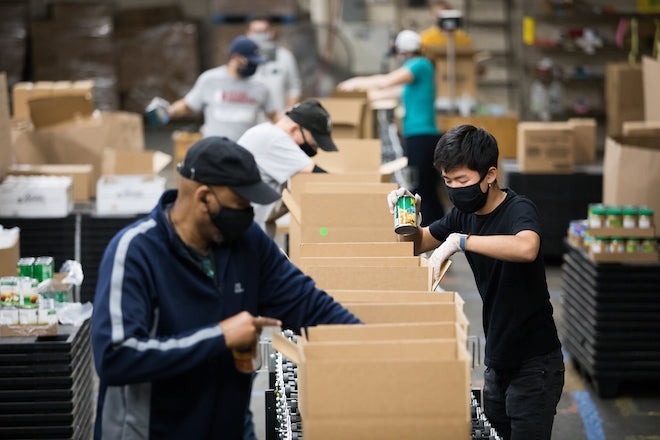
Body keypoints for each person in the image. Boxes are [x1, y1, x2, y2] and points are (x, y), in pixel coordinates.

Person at [91, 137, 360, 439]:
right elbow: (115, 357)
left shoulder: (247, 243)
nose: (247, 216)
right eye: (240, 205)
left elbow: (307, 305)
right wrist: (220, 336)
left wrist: (372, 345)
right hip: (151, 431)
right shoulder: (136, 252)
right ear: (204, 197)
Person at [386, 125, 564, 440]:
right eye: (447, 181)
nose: (455, 188)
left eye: (463, 181)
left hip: (535, 364)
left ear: (490, 175)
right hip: (497, 360)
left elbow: (527, 247)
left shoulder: (517, 209)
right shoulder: (462, 214)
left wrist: (462, 241)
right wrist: (407, 217)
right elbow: (415, 244)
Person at [338, 29, 445, 226]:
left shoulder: (420, 65)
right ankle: (438, 227)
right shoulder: (415, 78)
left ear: (404, 52)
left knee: (421, 186)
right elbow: (388, 92)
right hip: (418, 136)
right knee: (425, 186)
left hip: (422, 135)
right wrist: (359, 96)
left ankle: (431, 228)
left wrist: (356, 82)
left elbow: (386, 82)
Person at [237, 99, 337, 238]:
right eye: (314, 144)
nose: (315, 151)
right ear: (294, 129)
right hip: (246, 233)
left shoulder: (266, 133)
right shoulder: (275, 138)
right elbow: (319, 177)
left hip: (250, 230)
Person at [168, 36, 279, 141]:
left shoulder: (261, 85)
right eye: (250, 62)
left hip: (244, 151)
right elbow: (188, 105)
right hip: (214, 150)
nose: (253, 66)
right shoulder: (210, 79)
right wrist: (169, 111)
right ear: (236, 57)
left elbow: (274, 115)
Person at [245, 17, 302, 113]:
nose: (259, 35)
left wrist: (288, 113)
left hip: (277, 114)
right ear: (248, 33)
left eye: (263, 31)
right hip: (251, 116)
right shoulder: (243, 58)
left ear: (271, 32)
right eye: (256, 31)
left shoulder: (284, 56)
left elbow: (294, 87)